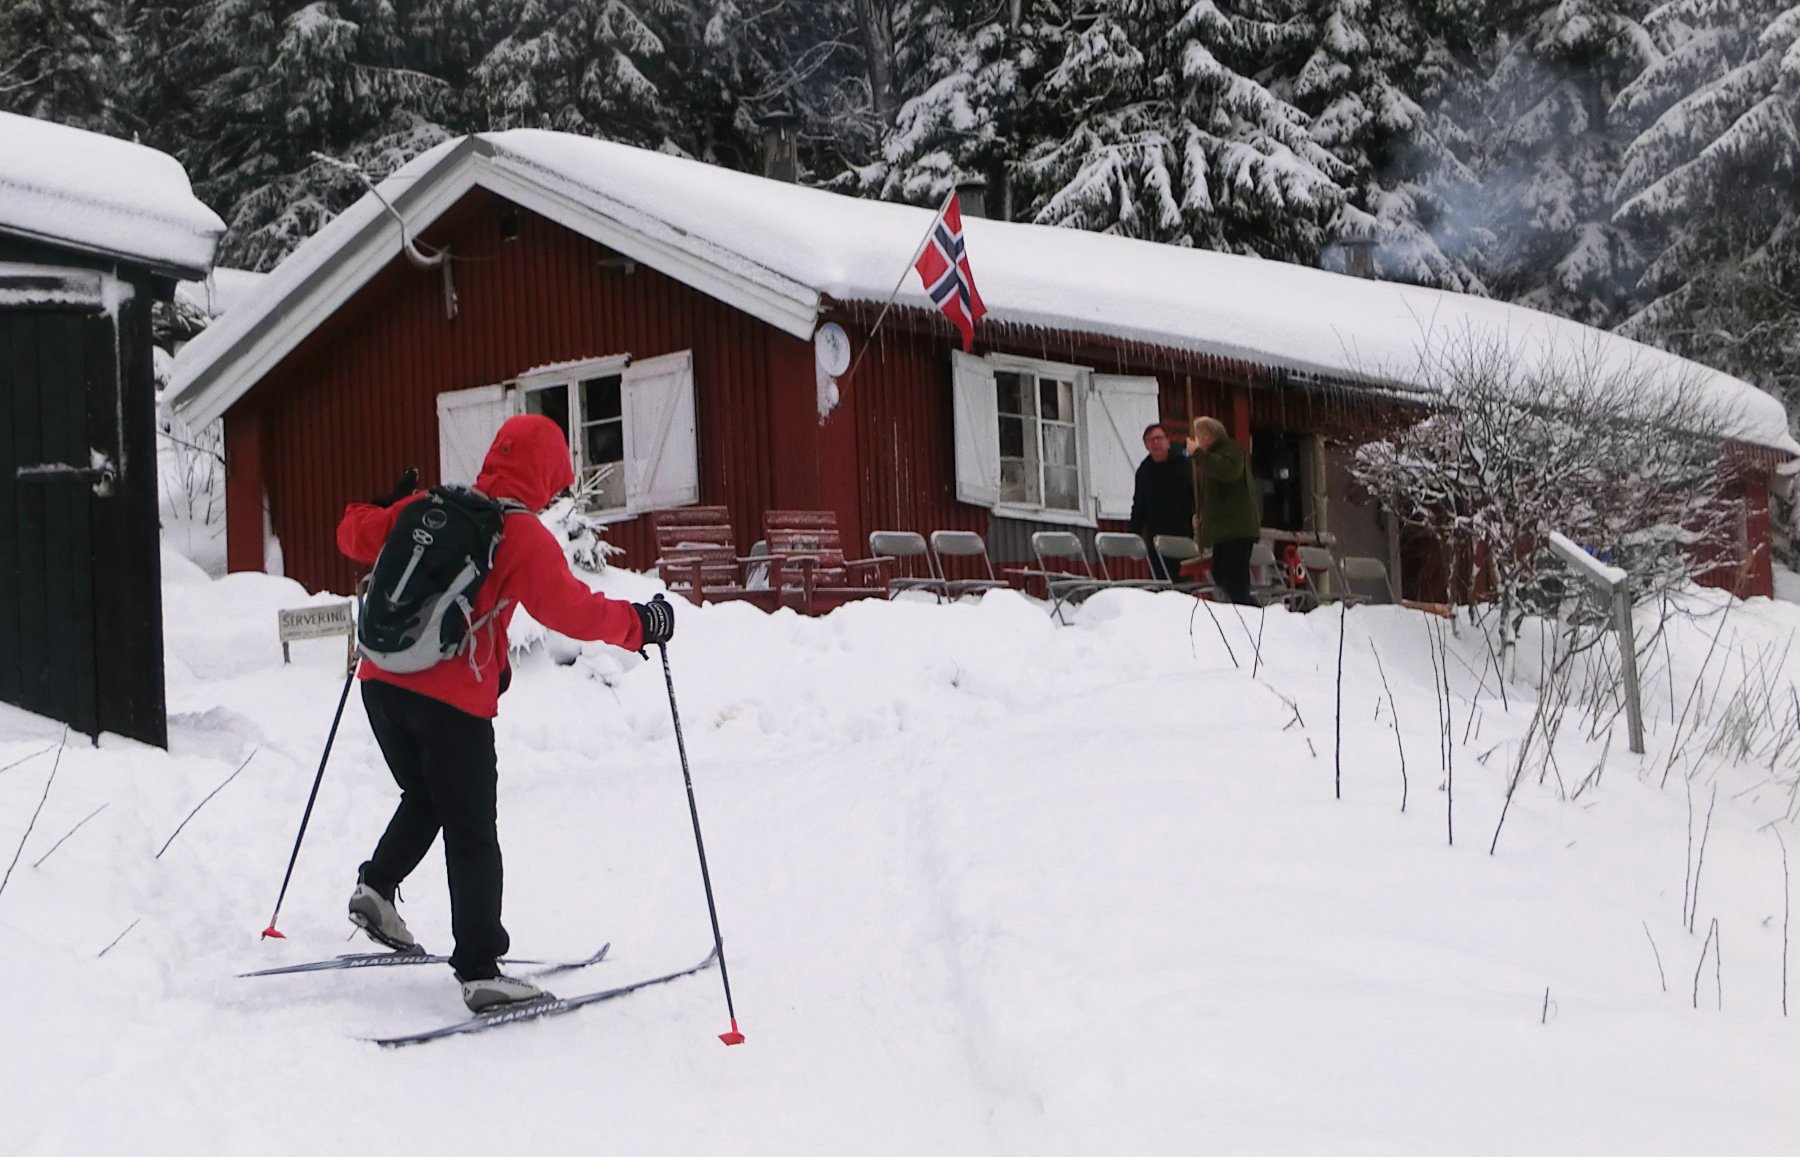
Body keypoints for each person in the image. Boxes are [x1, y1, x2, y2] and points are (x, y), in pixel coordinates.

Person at [335, 414, 675, 1013]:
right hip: (450, 703)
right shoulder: (518, 535)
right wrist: (640, 624)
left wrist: (384, 505)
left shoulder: (428, 506)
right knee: (470, 826)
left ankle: (377, 888)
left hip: (379, 685)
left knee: (426, 796)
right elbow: (573, 612)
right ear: (545, 475)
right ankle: (480, 968)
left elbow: (353, 537)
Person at [1187, 416, 1261, 606]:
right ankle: (1252, 611)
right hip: (1225, 530)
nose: (1195, 441)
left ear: (1209, 436)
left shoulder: (1231, 450)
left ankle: (1251, 614)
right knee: (1221, 574)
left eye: (1197, 436)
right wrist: (1203, 518)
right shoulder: (1212, 458)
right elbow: (1216, 496)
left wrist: (1198, 454)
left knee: (1232, 578)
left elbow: (1228, 472)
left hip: (1237, 528)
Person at [1128, 422, 1196, 582]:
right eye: (1150, 440)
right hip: (1156, 537)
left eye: (1159, 438)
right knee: (1160, 583)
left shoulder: (1184, 465)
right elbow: (1139, 504)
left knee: (1184, 583)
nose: (1155, 443)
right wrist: (1134, 533)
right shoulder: (1144, 472)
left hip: (1183, 534)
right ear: (1145, 445)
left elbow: (1198, 496)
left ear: (1167, 441)